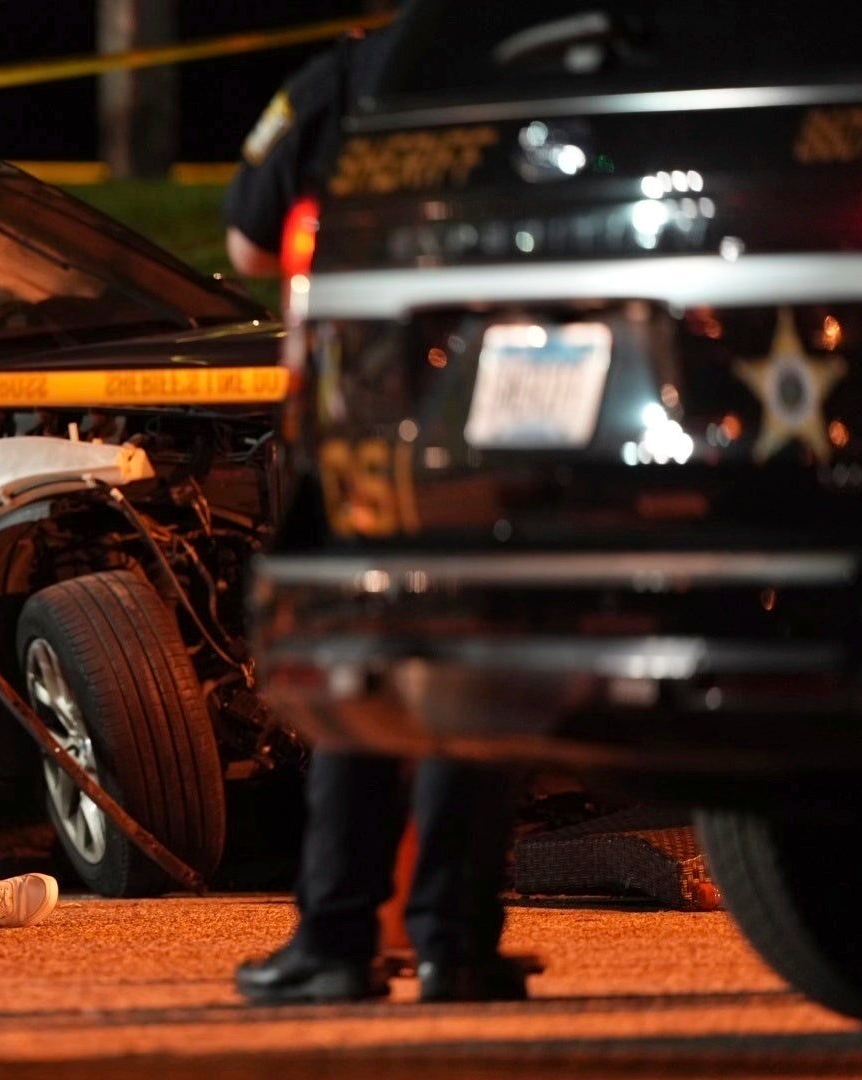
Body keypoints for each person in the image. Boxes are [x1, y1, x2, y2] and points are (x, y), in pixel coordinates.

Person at [225, 10, 530, 1005]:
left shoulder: (345, 79)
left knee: (359, 679)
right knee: (472, 681)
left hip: (361, 417)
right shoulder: (549, 62)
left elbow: (248, 244)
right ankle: (455, 943)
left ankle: (335, 939)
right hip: (510, 411)